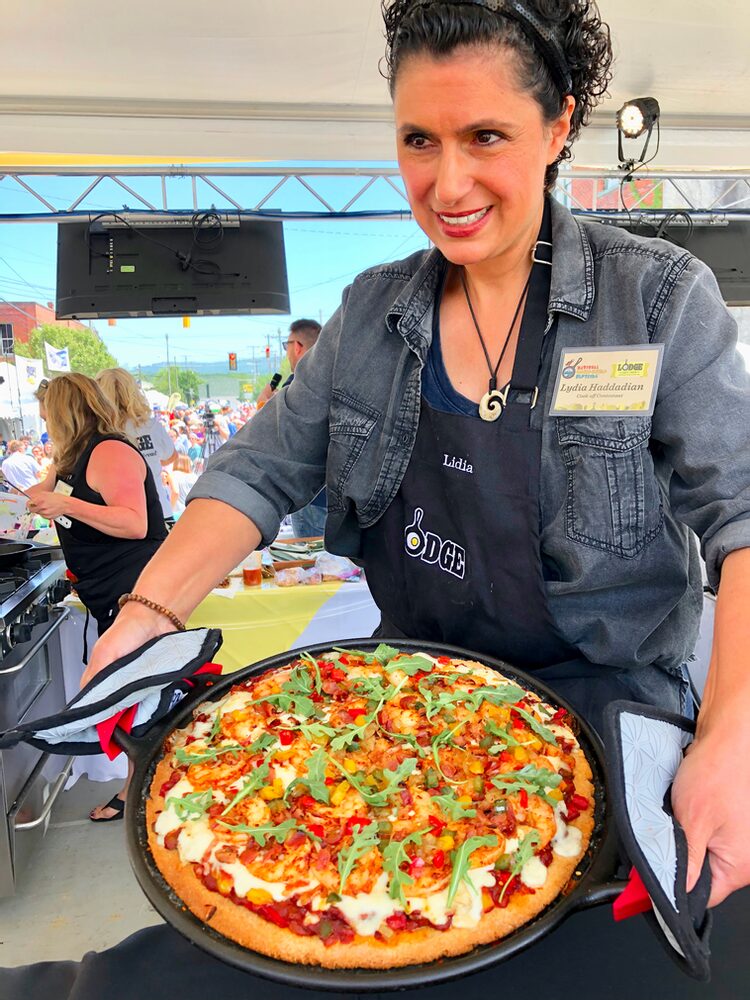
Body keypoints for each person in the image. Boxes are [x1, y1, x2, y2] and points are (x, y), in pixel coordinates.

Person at [85, 0, 750, 907]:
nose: (448, 183)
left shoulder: (659, 300)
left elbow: (741, 515)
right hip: (402, 706)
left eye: (485, 135)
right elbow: (258, 469)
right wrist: (149, 614)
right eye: (419, 141)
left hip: (608, 706)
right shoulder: (370, 313)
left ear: (558, 128)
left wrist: (733, 734)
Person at [26, 373, 168, 822]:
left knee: (140, 692)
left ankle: (141, 789)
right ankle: (143, 785)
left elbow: (134, 524)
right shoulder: (67, 459)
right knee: (130, 691)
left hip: (134, 590)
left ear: (66, 412)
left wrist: (66, 506)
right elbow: (40, 495)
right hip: (106, 591)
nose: (44, 421)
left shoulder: (109, 450)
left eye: (47, 413)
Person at [257, 319, 328, 537]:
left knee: (313, 563)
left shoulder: (299, 384)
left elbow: (277, 436)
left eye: (287, 345)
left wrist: (265, 407)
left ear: (297, 346)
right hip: (334, 494)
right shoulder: (333, 378)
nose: (287, 352)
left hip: (309, 495)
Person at [95, 367, 176, 525]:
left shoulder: (99, 431)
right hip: (159, 510)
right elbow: (170, 456)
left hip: (123, 518)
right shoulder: (150, 426)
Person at [165, 452, 198, 518]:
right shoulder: (194, 476)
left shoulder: (173, 475)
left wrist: (169, 510)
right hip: (192, 511)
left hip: (177, 512)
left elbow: (175, 492)